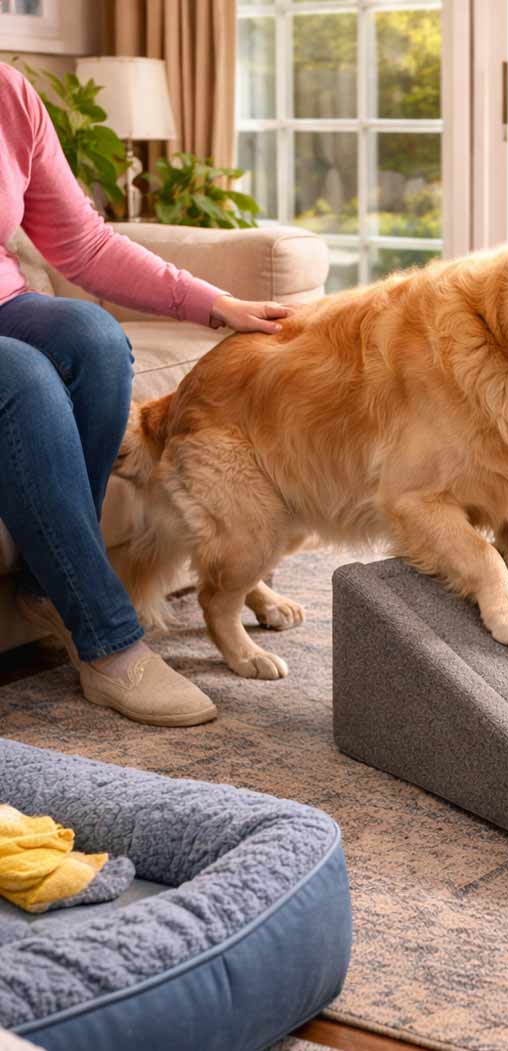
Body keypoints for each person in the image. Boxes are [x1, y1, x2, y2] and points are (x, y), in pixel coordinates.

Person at [0, 62, 293, 727]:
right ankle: (107, 643)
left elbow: (81, 240)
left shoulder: (9, 95)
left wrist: (213, 305)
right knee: (24, 379)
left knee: (97, 342)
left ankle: (50, 581)